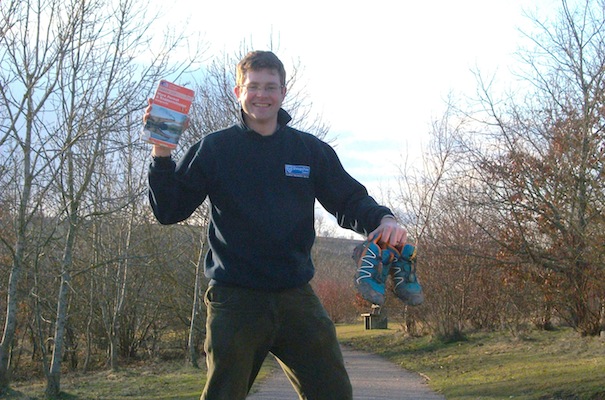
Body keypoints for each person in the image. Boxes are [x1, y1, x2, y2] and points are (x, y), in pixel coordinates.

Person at [146, 50, 408, 400]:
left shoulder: (308, 150)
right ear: (237, 91)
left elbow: (348, 200)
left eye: (271, 86)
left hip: (295, 297)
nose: (262, 95)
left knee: (333, 392)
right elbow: (168, 210)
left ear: (283, 92)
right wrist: (161, 153)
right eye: (253, 86)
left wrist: (383, 219)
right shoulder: (215, 148)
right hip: (235, 299)